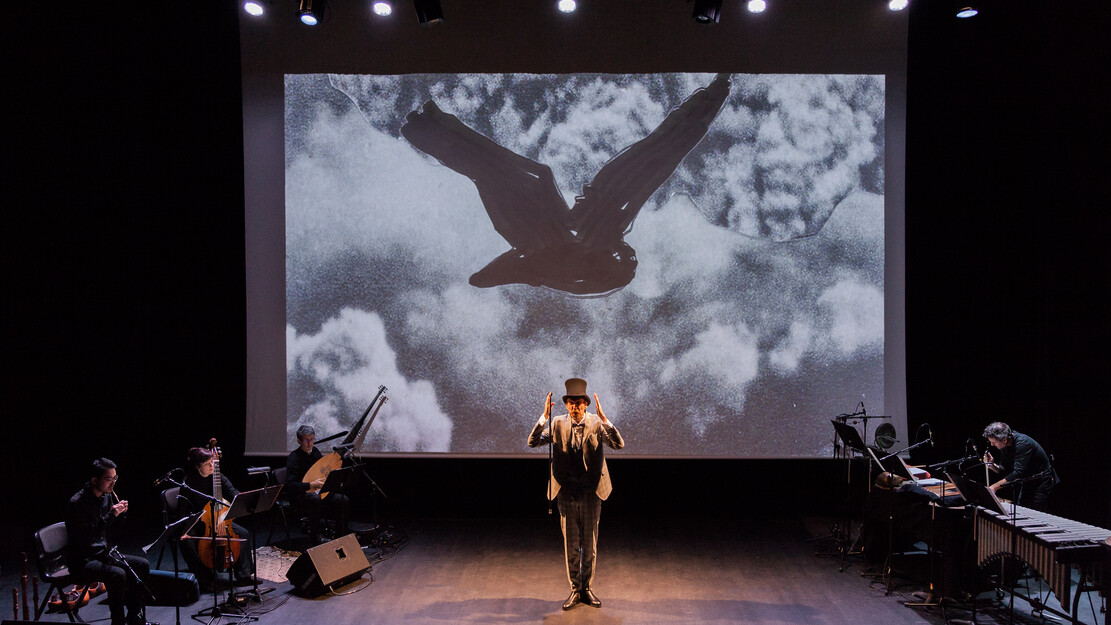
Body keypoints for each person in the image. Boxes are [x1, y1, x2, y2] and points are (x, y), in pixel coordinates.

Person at [527, 377, 624, 611]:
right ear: (566, 404)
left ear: (586, 404)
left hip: (591, 493)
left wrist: (605, 420)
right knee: (571, 545)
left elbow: (618, 444)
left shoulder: (595, 424)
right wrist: (544, 418)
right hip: (567, 493)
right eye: (570, 402)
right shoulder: (558, 424)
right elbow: (532, 442)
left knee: (589, 545)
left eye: (579, 402)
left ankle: (587, 589)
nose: (575, 407)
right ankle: (574, 589)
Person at [65, 458, 151, 625]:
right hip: (83, 559)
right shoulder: (77, 503)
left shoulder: (107, 496)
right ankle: (117, 621)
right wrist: (111, 515)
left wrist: (121, 514)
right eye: (108, 479)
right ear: (94, 480)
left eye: (115, 478)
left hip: (103, 553)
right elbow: (87, 536)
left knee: (142, 565)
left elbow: (113, 529)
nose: (113, 483)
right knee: (117, 574)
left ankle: (134, 617)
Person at [178, 447, 256, 587]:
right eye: (207, 464)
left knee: (242, 533)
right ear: (197, 466)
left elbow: (232, 491)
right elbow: (182, 511)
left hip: (219, 520)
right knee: (186, 542)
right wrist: (185, 531)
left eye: (213, 462)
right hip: (198, 522)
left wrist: (240, 498)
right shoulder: (188, 483)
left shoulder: (217, 475)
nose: (212, 466)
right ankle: (205, 579)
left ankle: (243, 575)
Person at [284, 425, 350, 543]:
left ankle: (341, 536)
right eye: (306, 440)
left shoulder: (315, 452)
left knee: (343, 499)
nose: (310, 443)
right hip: (300, 495)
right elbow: (290, 485)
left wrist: (336, 466)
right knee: (314, 498)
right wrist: (310, 485)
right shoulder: (294, 457)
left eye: (312, 439)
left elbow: (323, 471)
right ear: (299, 441)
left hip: (317, 491)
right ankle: (315, 536)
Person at [982, 421, 1059, 511]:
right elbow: (1004, 469)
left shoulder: (1023, 443)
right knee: (1021, 511)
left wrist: (994, 487)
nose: (992, 445)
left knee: (1037, 515)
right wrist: (992, 465)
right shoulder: (1005, 445)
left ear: (1004, 440)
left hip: (1042, 482)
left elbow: (1018, 472)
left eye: (993, 442)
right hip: (1027, 482)